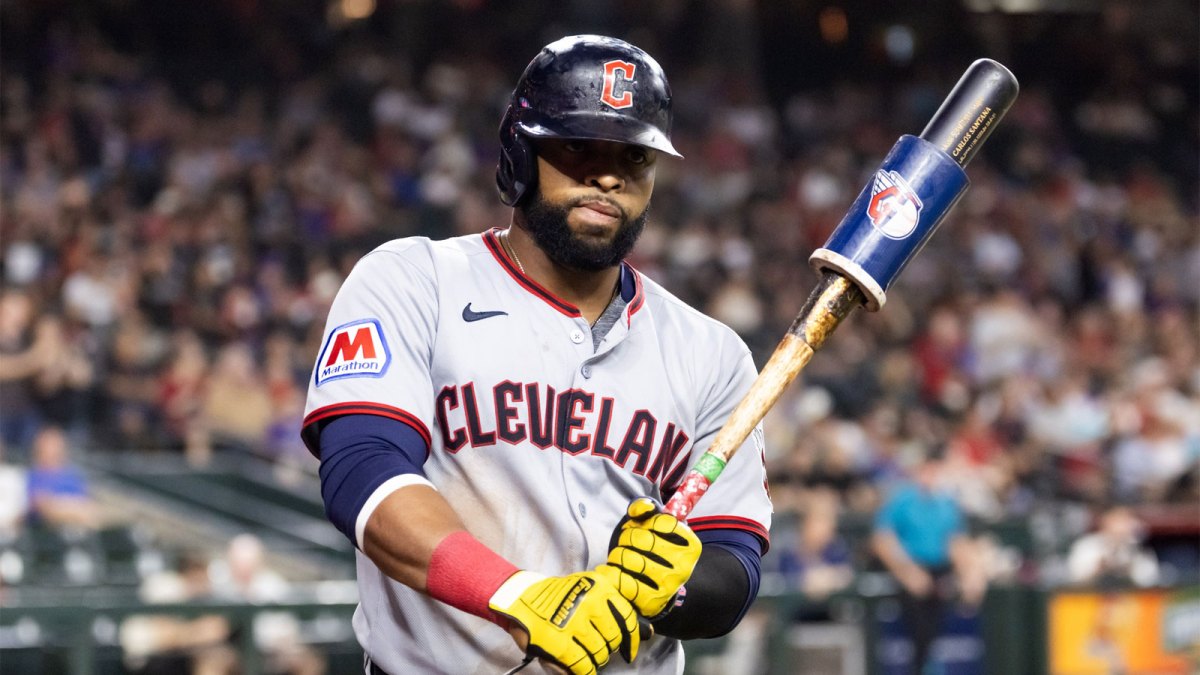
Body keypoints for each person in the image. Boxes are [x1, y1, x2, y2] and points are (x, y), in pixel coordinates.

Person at [302, 35, 772, 675]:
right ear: (521, 152)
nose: (608, 175)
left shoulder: (711, 352)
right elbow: (362, 472)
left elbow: (735, 560)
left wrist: (676, 586)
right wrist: (516, 594)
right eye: (579, 146)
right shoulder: (415, 281)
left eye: (633, 156)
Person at [871, 445, 987, 675]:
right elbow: (882, 540)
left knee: (944, 619)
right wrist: (907, 572)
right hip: (909, 572)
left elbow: (956, 542)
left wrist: (971, 573)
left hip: (940, 572)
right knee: (918, 627)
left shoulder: (946, 503)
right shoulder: (902, 500)